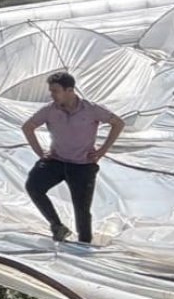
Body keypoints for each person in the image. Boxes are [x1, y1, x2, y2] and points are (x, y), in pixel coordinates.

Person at [21, 71, 126, 244]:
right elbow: (28, 127)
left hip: (82, 165)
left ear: (70, 90)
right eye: (51, 91)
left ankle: (84, 245)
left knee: (82, 209)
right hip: (56, 160)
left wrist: (102, 150)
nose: (52, 95)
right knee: (34, 186)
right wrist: (40, 153)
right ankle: (57, 225)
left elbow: (118, 123)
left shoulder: (91, 110)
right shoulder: (50, 110)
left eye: (56, 91)